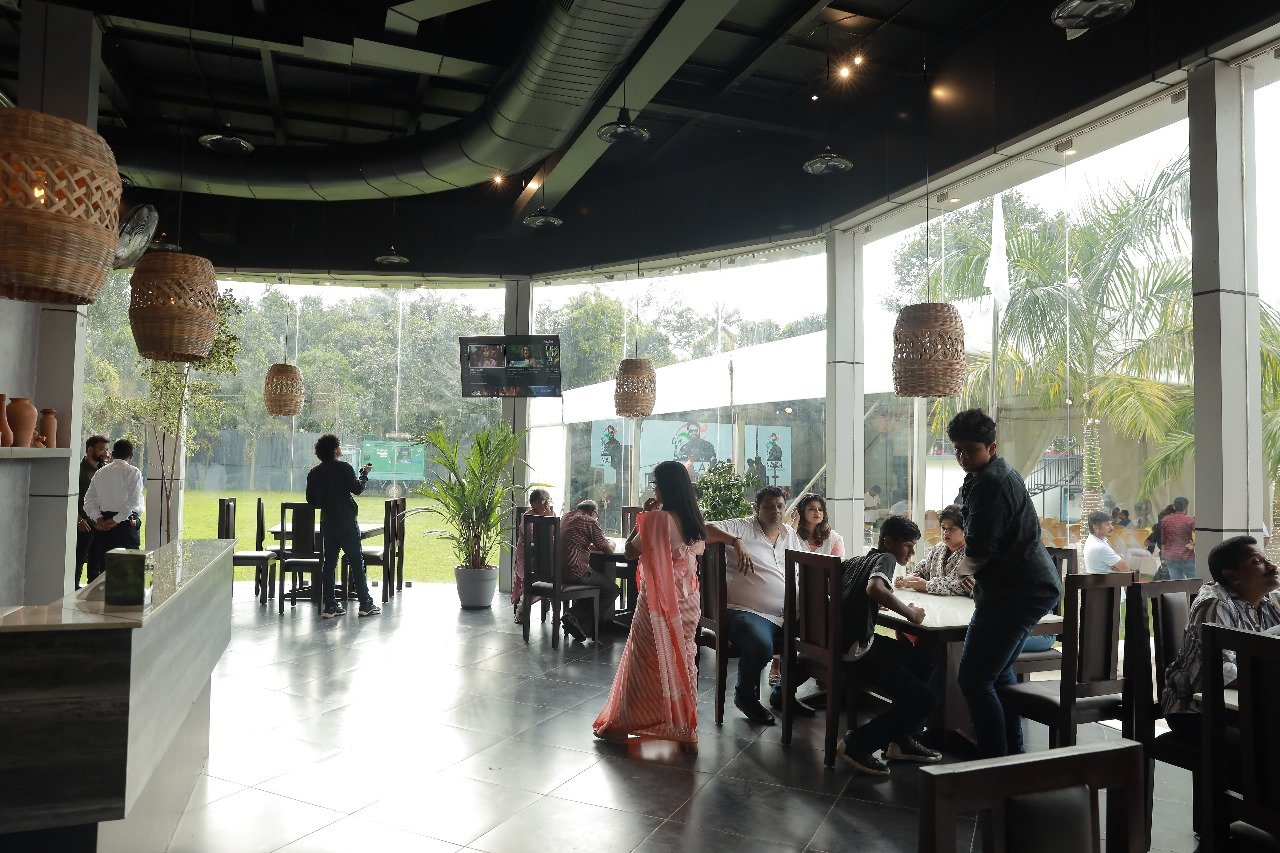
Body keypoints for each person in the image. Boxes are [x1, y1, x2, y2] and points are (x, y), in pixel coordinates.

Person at [948, 409, 1063, 758]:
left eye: (971, 449)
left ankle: (993, 762)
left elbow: (981, 550)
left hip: (1017, 591)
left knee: (974, 679)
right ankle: (1010, 757)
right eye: (958, 449)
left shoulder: (992, 482)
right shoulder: (984, 475)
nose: (964, 456)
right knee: (994, 676)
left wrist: (955, 575)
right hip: (1023, 588)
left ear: (991, 446)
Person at [594, 460, 706, 752]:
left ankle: (625, 724)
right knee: (684, 661)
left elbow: (631, 552)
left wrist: (642, 519)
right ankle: (686, 730)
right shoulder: (694, 517)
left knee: (643, 661)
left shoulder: (658, 520)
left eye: (656, 483)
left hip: (659, 603)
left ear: (664, 487)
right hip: (690, 601)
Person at [1160, 536, 1279, 788]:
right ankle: (1249, 816)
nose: (1272, 566)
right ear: (1233, 576)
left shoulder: (1271, 602)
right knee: (1264, 746)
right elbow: (1224, 672)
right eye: (1258, 562)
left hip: (1245, 709)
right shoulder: (1215, 605)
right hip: (1195, 711)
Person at [835, 515, 940, 775]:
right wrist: (911, 614)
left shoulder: (859, 560)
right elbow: (875, 589)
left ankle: (901, 739)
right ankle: (857, 744)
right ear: (888, 542)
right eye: (908, 545)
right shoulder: (886, 559)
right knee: (926, 700)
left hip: (843, 644)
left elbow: (853, 592)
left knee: (924, 660)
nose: (912, 552)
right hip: (859, 652)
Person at [706, 486, 812, 724]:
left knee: (824, 640)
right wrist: (735, 541)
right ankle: (745, 696)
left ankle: (783, 694)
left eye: (779, 506)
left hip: (787, 614)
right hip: (745, 611)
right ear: (756, 509)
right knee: (761, 645)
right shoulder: (741, 527)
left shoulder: (789, 535)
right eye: (768, 506)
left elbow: (806, 566)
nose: (775, 511)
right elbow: (703, 530)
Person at [895, 505, 1055, 653]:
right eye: (943, 529)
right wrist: (909, 579)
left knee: (977, 644)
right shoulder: (939, 550)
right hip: (995, 621)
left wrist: (927, 585)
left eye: (952, 529)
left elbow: (958, 584)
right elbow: (925, 571)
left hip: (1037, 632)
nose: (946, 533)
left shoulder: (977, 554)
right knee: (912, 631)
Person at [305, 434, 379, 619]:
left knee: (329, 565)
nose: (340, 448)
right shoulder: (344, 467)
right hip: (347, 522)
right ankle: (365, 603)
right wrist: (364, 474)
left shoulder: (314, 473)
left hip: (328, 523)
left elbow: (311, 500)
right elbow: (357, 489)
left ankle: (330, 606)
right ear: (334, 450)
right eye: (339, 446)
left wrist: (326, 500)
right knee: (356, 562)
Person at [83, 438, 144, 580]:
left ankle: (108, 601)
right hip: (125, 524)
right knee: (129, 570)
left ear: (113, 453)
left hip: (103, 525)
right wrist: (115, 520)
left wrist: (99, 518)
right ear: (131, 455)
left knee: (107, 571)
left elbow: (89, 500)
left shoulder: (100, 472)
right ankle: (128, 602)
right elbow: (133, 502)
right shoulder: (133, 472)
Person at [559, 500, 619, 640]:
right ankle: (581, 622)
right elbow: (608, 551)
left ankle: (575, 618)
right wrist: (611, 542)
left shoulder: (566, 517)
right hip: (575, 570)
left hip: (557, 572)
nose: (596, 518)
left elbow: (575, 541)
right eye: (597, 516)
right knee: (612, 590)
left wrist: (590, 545)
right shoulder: (589, 521)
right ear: (593, 512)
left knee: (595, 586)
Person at [512, 488, 554, 624]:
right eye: (544, 501)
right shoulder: (529, 517)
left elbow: (556, 535)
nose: (547, 504)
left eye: (548, 500)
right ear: (534, 503)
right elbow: (531, 541)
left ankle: (559, 613)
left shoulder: (550, 515)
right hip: (528, 559)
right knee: (538, 577)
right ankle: (521, 610)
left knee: (556, 574)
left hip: (545, 557)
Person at [76, 435, 109, 588]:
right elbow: (70, 498)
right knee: (77, 561)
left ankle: (94, 596)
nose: (105, 453)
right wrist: (78, 519)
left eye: (106, 450)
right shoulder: (79, 471)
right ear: (90, 449)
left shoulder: (104, 471)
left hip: (101, 524)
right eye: (101, 449)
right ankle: (72, 593)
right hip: (85, 525)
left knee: (97, 563)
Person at [1161, 497, 1196, 580]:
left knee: (1176, 585)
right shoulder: (1190, 521)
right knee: (1195, 583)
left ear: (1174, 507)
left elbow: (1163, 541)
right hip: (1186, 556)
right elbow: (1201, 534)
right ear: (1186, 507)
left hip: (1171, 557)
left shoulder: (1165, 520)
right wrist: (1194, 544)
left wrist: (1163, 558)